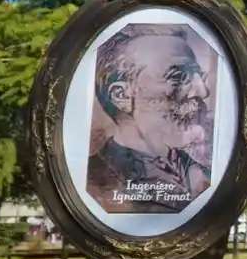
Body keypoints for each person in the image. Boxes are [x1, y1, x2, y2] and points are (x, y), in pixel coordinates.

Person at [85, 23, 214, 214]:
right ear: (122, 95)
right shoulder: (95, 179)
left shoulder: (204, 176)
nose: (203, 92)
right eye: (178, 76)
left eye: (198, 76)